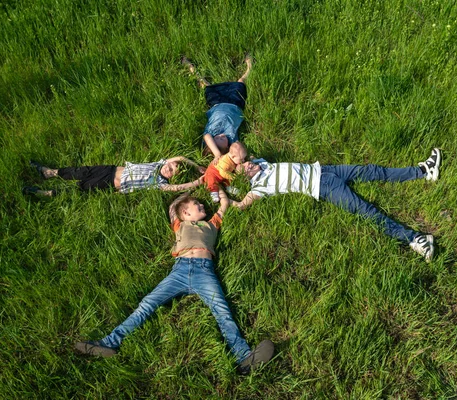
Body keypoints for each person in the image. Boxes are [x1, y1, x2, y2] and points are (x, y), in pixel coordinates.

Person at [74, 188, 275, 374]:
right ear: (185, 213)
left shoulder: (211, 224)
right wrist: (193, 188)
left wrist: (219, 188)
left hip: (205, 272)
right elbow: (173, 207)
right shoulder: (179, 225)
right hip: (179, 270)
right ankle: (108, 343)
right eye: (197, 204)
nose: (203, 205)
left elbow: (223, 205)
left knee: (222, 311)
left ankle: (245, 357)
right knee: (147, 304)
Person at [232, 149, 443, 262]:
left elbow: (238, 149)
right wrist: (222, 194)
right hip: (322, 187)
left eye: (245, 161)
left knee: (372, 170)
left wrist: (225, 159)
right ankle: (415, 239)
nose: (248, 164)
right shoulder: (259, 187)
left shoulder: (262, 163)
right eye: (243, 167)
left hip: (326, 169)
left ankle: (423, 170)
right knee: (366, 211)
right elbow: (241, 205)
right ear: (242, 178)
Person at [181, 55, 252, 159]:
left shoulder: (211, 133)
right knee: (241, 82)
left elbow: (207, 137)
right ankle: (250, 65)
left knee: (205, 85)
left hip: (216, 103)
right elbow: (237, 154)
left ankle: (190, 66)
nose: (220, 136)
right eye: (221, 140)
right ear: (227, 147)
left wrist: (217, 154)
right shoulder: (232, 139)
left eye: (217, 139)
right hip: (235, 103)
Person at [23, 157, 205, 196]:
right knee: (79, 171)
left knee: (81, 187)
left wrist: (198, 181)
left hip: (109, 182)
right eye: (170, 166)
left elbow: (178, 188)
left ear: (172, 178)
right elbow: (180, 157)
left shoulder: (159, 182)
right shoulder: (158, 165)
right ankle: (50, 172)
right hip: (108, 169)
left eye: (173, 172)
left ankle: (44, 192)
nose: (168, 169)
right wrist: (197, 167)